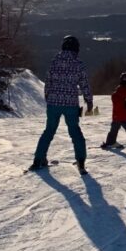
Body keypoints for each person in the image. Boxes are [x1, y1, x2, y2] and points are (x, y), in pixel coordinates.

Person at [30, 35, 93, 173]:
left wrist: (48, 97)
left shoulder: (54, 62)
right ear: (76, 48)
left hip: (53, 103)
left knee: (49, 131)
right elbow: (84, 84)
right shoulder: (79, 64)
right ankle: (81, 162)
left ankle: (38, 160)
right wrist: (89, 100)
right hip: (71, 103)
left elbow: (48, 81)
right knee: (75, 132)